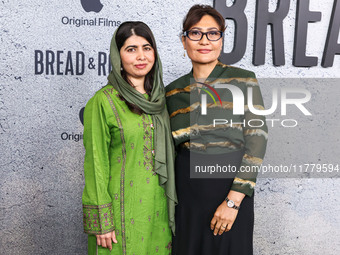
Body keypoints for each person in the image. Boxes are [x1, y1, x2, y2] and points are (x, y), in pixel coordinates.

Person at [165, 5, 268, 255]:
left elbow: (257, 141)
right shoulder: (172, 92)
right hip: (187, 197)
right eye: (195, 33)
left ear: (221, 40)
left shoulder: (244, 81)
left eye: (213, 33)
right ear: (184, 40)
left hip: (230, 190)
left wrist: (233, 201)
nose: (204, 41)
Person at [82, 21, 177, 255]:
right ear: (118, 56)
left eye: (147, 47)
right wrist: (102, 221)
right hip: (120, 211)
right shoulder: (103, 101)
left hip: (159, 210)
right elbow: (96, 164)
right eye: (131, 49)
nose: (141, 56)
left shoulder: (161, 102)